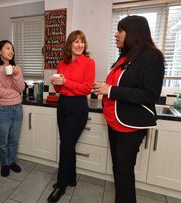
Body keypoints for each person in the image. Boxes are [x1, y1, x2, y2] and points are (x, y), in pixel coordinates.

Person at [92, 15, 165, 203]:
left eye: (120, 30)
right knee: (119, 170)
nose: (116, 35)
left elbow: (150, 95)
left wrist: (111, 90)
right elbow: (121, 84)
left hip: (130, 126)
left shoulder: (152, 57)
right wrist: (106, 87)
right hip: (114, 122)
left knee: (124, 172)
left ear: (133, 32)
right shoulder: (125, 56)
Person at [47, 30, 95, 203]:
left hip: (78, 107)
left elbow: (87, 88)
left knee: (66, 144)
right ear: (70, 44)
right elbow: (59, 90)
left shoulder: (89, 62)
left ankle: (61, 184)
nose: (80, 45)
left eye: (82, 41)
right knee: (68, 144)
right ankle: (72, 178)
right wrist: (56, 83)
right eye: (76, 41)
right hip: (63, 105)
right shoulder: (62, 63)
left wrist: (66, 82)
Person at [0, 40, 25, 177]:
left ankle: (11, 161)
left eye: (12, 49)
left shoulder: (17, 68)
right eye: (8, 48)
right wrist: (15, 94)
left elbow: (21, 88)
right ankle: (4, 163)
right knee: (3, 139)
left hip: (17, 108)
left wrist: (16, 75)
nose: (11, 51)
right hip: (2, 109)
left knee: (14, 138)